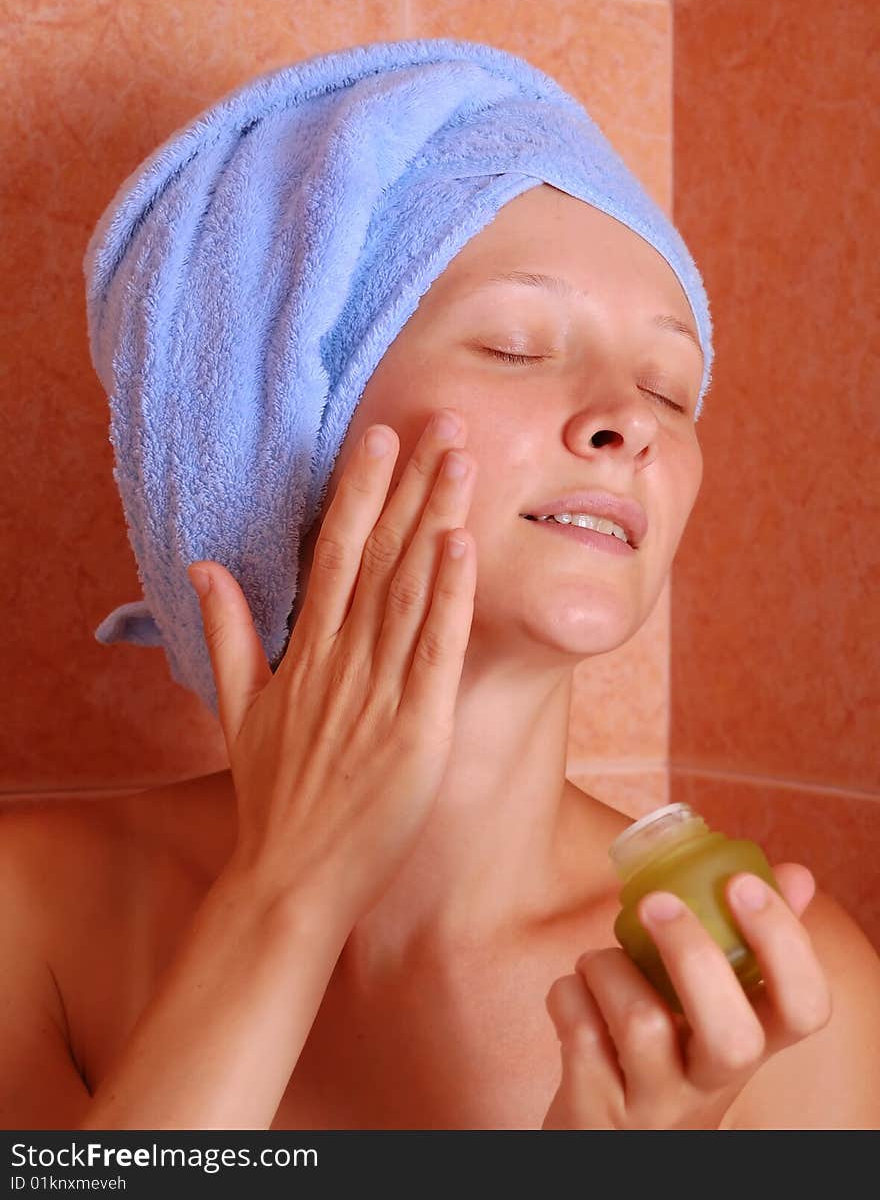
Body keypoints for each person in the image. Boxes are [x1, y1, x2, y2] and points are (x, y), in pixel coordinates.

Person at [2, 180, 879, 1131]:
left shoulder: (776, 997)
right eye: (514, 346)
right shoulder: (34, 918)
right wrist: (284, 898)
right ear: (281, 415)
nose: (633, 421)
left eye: (671, 388)